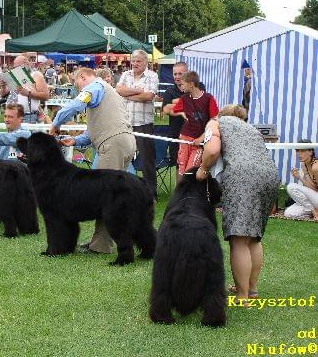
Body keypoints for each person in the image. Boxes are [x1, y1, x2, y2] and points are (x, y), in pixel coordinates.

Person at [196, 104, 279, 304]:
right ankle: (251, 289)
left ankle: (242, 297)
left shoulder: (216, 122)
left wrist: (203, 169)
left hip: (242, 177)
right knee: (254, 238)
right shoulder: (250, 129)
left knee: (239, 239)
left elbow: (212, 149)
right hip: (269, 176)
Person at [50, 67, 136, 255]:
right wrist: (76, 140)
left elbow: (75, 105)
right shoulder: (108, 91)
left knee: (105, 197)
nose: (78, 88)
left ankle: (101, 246)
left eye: (77, 83)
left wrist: (56, 122)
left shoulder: (95, 86)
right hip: (125, 143)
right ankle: (102, 243)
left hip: (113, 145)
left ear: (83, 76)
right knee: (113, 197)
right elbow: (97, 128)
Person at [116, 49, 158, 197]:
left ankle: (150, 194)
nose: (135, 63)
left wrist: (128, 95)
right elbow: (118, 90)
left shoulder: (152, 76)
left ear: (146, 62)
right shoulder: (126, 74)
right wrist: (136, 91)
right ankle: (123, 191)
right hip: (125, 123)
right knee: (122, 157)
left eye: (138, 61)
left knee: (147, 160)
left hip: (143, 123)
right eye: (133, 60)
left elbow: (148, 96)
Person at [162, 62, 206, 179]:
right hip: (176, 135)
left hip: (196, 136)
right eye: (175, 74)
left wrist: (176, 103)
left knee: (195, 166)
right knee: (180, 166)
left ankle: (193, 195)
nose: (177, 77)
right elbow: (166, 109)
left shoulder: (199, 86)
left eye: (180, 74)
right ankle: (180, 195)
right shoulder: (169, 91)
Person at [172, 71, 218, 175]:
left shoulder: (208, 98)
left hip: (199, 142)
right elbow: (173, 110)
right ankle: (181, 191)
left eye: (183, 84)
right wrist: (180, 113)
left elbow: (214, 121)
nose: (181, 87)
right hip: (185, 138)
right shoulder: (184, 98)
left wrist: (202, 137)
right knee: (182, 169)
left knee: (191, 171)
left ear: (191, 84)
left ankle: (190, 191)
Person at [0, 55, 49, 123]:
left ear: (27, 64)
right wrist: (3, 86)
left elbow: (45, 96)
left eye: (19, 67)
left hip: (27, 117)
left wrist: (28, 93)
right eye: (15, 67)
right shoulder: (15, 75)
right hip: (12, 116)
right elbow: (3, 94)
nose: (16, 69)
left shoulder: (36, 75)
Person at [284, 139, 318, 220]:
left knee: (291, 186)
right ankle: (314, 211)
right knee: (289, 213)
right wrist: (299, 177)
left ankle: (314, 212)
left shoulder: (316, 167)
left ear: (310, 152)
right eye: (297, 151)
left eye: (302, 151)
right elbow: (313, 188)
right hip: (315, 199)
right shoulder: (304, 165)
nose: (299, 154)